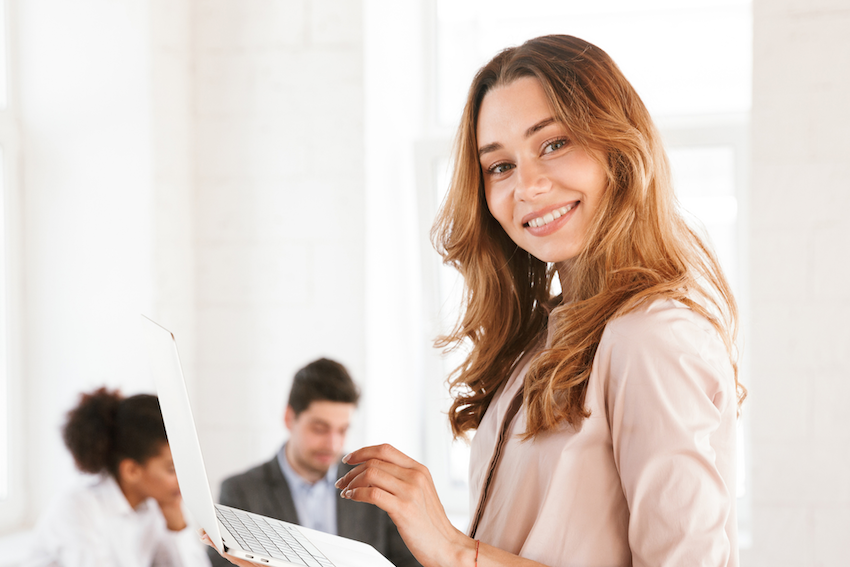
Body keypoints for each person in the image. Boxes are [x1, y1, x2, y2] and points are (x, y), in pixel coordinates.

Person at [207, 34, 745, 567]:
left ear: (619, 148)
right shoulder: (546, 336)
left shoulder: (652, 336)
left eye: (553, 144)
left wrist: (453, 548)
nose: (527, 186)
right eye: (500, 166)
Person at [206, 358, 419, 567]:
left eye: (342, 430)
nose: (333, 444)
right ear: (289, 418)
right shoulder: (240, 492)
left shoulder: (373, 486)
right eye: (320, 428)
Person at [28, 387, 211, 567]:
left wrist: (176, 524)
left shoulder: (158, 503)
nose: (184, 479)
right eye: (171, 469)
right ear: (131, 471)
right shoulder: (78, 508)